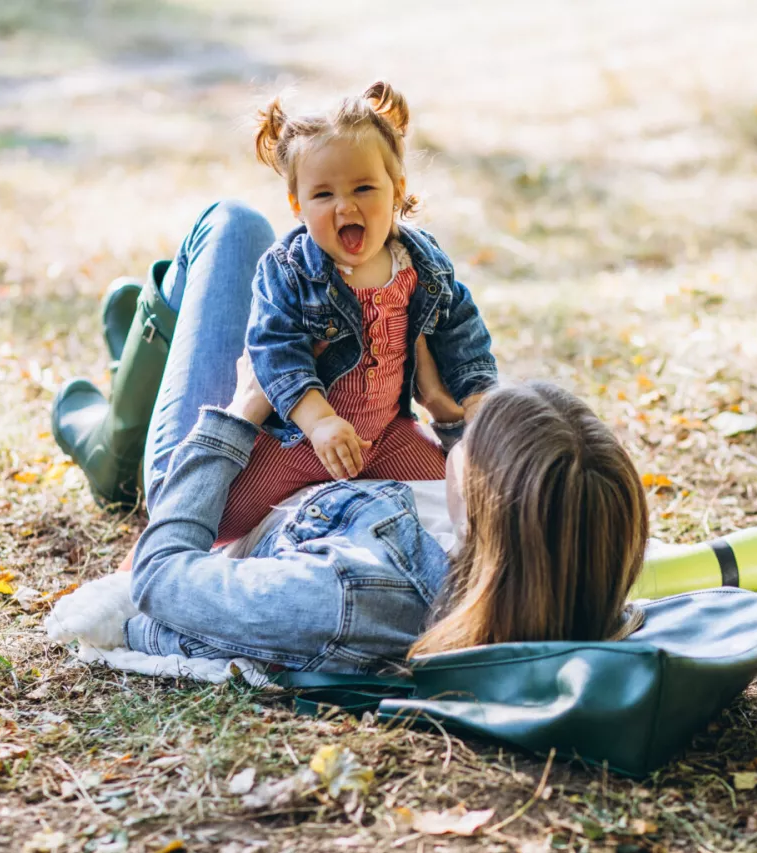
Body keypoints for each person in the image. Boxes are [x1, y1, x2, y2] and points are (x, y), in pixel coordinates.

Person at [53, 200, 649, 669]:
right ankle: (139, 380)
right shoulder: (563, 536)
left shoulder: (345, 596)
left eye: (476, 440)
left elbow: (160, 580)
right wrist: (445, 416)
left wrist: (241, 410)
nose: (465, 437)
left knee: (232, 227)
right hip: (313, 440)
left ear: (485, 505)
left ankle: (117, 439)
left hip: (227, 479)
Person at [213, 81, 496, 544]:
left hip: (387, 437)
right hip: (300, 441)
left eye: (364, 187)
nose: (345, 205)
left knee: (465, 497)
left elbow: (460, 329)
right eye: (323, 195)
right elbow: (275, 349)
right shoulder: (290, 271)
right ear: (296, 204)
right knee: (222, 521)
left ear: (397, 189)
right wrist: (319, 420)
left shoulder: (420, 264)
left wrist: (479, 398)